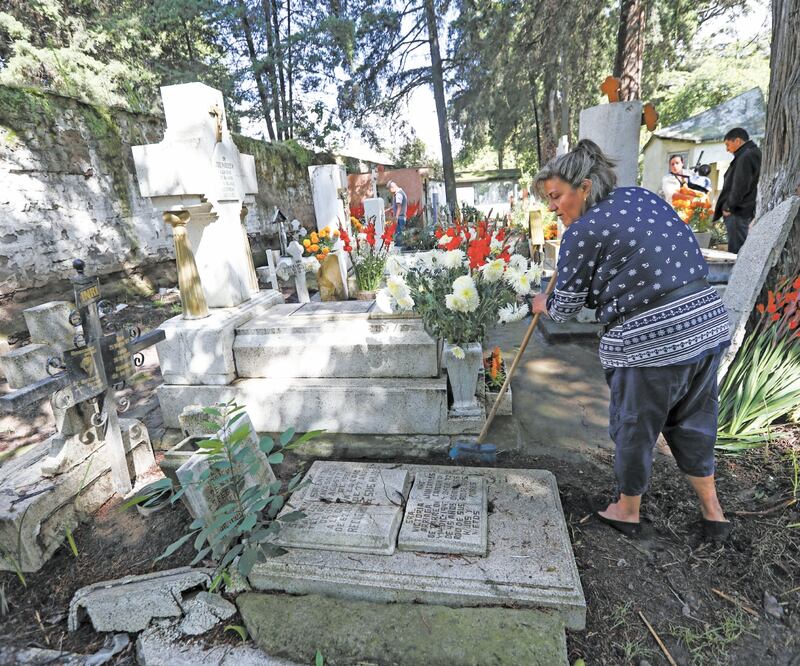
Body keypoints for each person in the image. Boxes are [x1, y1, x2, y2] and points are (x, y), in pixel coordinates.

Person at [531, 139, 732, 542]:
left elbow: (565, 307)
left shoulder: (582, 231)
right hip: (706, 323)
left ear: (584, 187)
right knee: (694, 421)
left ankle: (627, 510)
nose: (552, 207)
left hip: (651, 343)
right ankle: (714, 514)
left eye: (555, 196)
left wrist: (542, 303)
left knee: (634, 427)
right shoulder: (640, 197)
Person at [713, 127, 761, 254]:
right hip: (744, 208)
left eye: (728, 144)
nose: (727, 149)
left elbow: (740, 185)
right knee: (740, 248)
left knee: (737, 251)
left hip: (738, 211)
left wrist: (729, 206)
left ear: (738, 141)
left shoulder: (746, 156)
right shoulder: (750, 153)